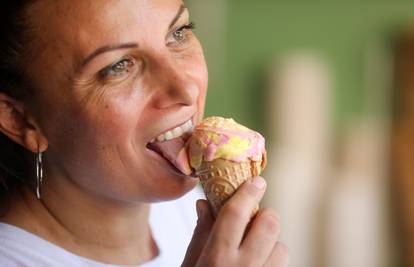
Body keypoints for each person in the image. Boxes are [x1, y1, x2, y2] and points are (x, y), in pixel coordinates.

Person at [0, 0, 289, 266]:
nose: (186, 89)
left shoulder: (186, 206)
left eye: (178, 33)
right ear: (20, 119)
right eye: (119, 66)